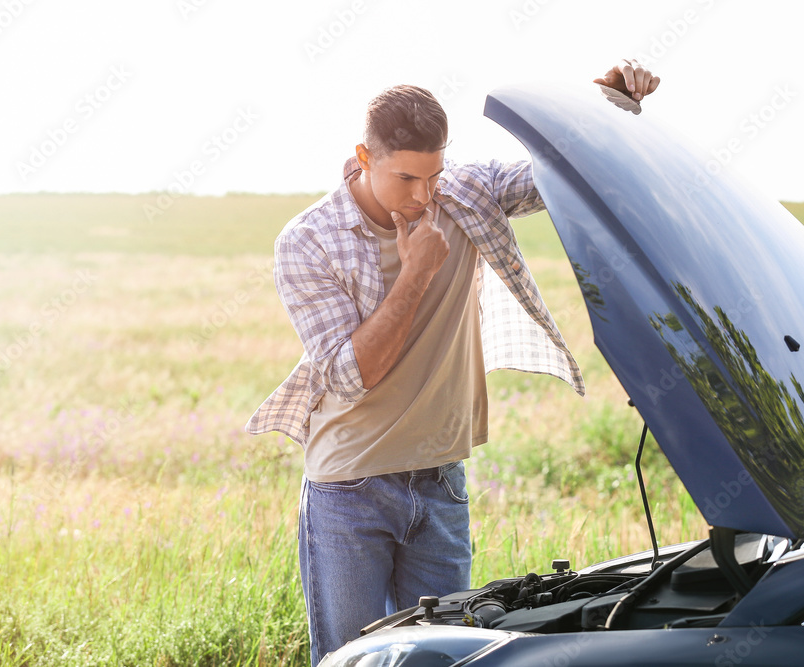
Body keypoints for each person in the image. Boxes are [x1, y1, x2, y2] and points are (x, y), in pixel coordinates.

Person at [245, 59, 660, 665]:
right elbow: (350, 375)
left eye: (433, 175)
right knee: (348, 659)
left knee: (446, 659)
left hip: (441, 482)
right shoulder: (308, 241)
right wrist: (416, 272)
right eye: (406, 178)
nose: (423, 195)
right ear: (364, 156)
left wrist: (610, 102)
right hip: (349, 492)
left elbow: (559, 172)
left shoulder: (461, 193)